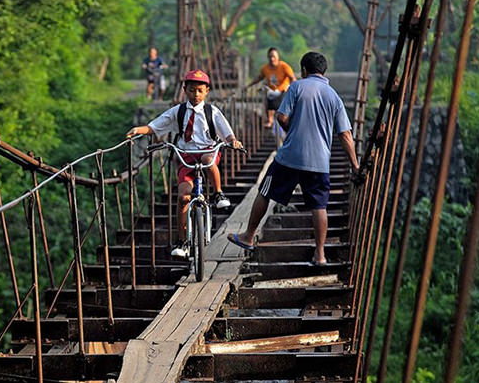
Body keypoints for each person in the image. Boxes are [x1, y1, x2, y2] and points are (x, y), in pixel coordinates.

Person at [228, 52, 359, 265]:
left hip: (290, 157)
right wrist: (355, 165)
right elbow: (345, 134)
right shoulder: (334, 96)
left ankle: (249, 236)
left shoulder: (297, 87)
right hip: (319, 162)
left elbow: (281, 116)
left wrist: (293, 131)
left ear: (304, 70)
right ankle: (320, 254)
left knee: (265, 190)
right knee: (319, 206)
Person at [127, 69, 243, 258]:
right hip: (186, 155)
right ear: (184, 90)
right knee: (183, 197)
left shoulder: (211, 111)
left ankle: (218, 193)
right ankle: (183, 241)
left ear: (207, 91)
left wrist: (233, 141)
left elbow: (227, 132)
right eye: (191, 90)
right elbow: (156, 125)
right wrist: (138, 130)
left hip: (207, 151)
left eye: (199, 90)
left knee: (208, 160)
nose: (195, 94)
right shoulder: (178, 112)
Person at [245, 47, 296, 128]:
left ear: (277, 57)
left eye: (274, 57)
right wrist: (248, 86)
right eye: (270, 57)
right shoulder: (265, 68)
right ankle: (270, 120)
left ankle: (285, 120)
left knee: (281, 105)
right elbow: (259, 78)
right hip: (271, 92)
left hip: (282, 91)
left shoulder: (284, 66)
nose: (272, 59)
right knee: (268, 97)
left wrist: (294, 88)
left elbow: (292, 78)